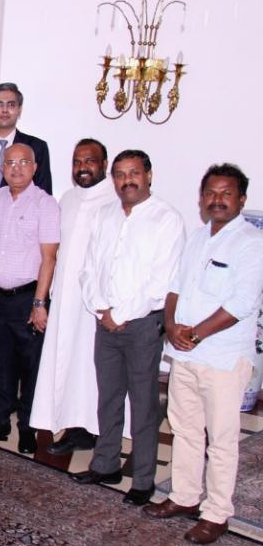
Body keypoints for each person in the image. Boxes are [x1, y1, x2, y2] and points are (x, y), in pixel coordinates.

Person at [144, 164, 263, 544]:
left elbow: (242, 303)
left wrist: (194, 333)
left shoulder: (251, 244)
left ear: (241, 199)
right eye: (211, 193)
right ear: (201, 199)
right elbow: (175, 289)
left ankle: (216, 514)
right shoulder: (197, 238)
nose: (217, 200)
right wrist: (172, 325)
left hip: (224, 359)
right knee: (186, 430)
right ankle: (183, 497)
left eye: (226, 194)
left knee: (222, 438)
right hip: (186, 355)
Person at [72, 149, 185, 506]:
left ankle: (144, 479)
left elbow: (162, 280)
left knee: (143, 403)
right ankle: (105, 464)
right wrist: (101, 308)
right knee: (107, 398)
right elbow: (89, 269)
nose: (127, 180)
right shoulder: (105, 214)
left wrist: (121, 314)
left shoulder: (166, 219)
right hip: (105, 322)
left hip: (141, 325)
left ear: (149, 175)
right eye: (120, 174)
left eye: (134, 172)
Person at [31, 139, 118, 455]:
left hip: (95, 304)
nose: (83, 167)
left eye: (90, 161)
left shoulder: (115, 201)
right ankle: (70, 423)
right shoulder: (66, 199)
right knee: (65, 364)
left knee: (88, 369)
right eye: (77, 161)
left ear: (104, 164)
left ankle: (91, 430)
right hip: (65, 299)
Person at [0, 144, 59, 453]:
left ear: (35, 167)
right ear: (2, 167)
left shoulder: (45, 204)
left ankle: (27, 427)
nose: (16, 168)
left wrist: (40, 303)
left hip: (27, 298)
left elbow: (49, 258)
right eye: (10, 162)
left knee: (30, 366)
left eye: (24, 162)